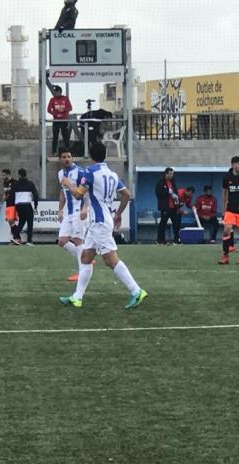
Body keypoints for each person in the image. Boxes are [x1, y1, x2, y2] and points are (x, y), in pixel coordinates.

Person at [59, 142, 147, 309]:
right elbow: (126, 194)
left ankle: (136, 291)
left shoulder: (90, 172)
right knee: (85, 258)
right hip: (99, 220)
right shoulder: (112, 174)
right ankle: (77, 297)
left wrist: (68, 183)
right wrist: (119, 213)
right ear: (105, 155)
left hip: (99, 221)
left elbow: (78, 195)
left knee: (110, 259)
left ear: (91, 157)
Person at [57, 148, 87, 281]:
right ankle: (86, 257)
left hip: (78, 211)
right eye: (64, 157)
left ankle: (81, 271)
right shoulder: (60, 174)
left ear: (72, 158)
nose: (67, 159)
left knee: (77, 240)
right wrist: (60, 210)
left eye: (69, 156)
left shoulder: (80, 172)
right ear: (60, 159)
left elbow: (86, 191)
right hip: (68, 212)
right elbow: (62, 193)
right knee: (62, 241)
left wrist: (85, 208)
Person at [219, 156, 239, 265]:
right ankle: (225, 256)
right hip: (230, 209)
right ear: (233, 164)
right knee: (226, 229)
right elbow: (224, 193)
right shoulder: (226, 177)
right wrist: (224, 210)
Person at [11, 169, 39, 245]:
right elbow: (35, 195)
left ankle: (15, 237)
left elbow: (12, 196)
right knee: (30, 222)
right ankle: (29, 240)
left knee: (21, 222)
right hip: (27, 204)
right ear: (26, 174)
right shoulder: (30, 184)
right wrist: (36, 205)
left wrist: (14, 206)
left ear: (19, 175)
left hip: (19, 205)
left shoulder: (15, 184)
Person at [155, 167, 180, 245]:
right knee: (163, 223)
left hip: (173, 207)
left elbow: (175, 191)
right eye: (170, 174)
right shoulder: (161, 182)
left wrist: (175, 196)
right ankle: (161, 240)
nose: (172, 175)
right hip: (165, 207)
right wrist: (167, 192)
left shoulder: (173, 182)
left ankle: (177, 239)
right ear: (166, 173)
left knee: (176, 223)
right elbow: (158, 193)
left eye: (172, 174)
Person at [47, 85, 73, 155]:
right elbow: (48, 109)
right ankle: (54, 151)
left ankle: (68, 150)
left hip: (64, 120)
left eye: (57, 92)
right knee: (55, 136)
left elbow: (70, 108)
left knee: (65, 136)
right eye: (55, 92)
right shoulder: (52, 99)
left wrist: (63, 110)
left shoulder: (65, 98)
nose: (56, 93)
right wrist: (54, 113)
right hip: (56, 120)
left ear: (60, 92)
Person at [1, 169, 18, 243]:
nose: (2, 177)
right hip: (8, 204)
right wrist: (2, 201)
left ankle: (17, 237)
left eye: (3, 175)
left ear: (8, 174)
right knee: (10, 221)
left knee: (11, 220)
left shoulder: (14, 182)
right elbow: (5, 193)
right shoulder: (5, 183)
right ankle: (16, 237)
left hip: (13, 204)